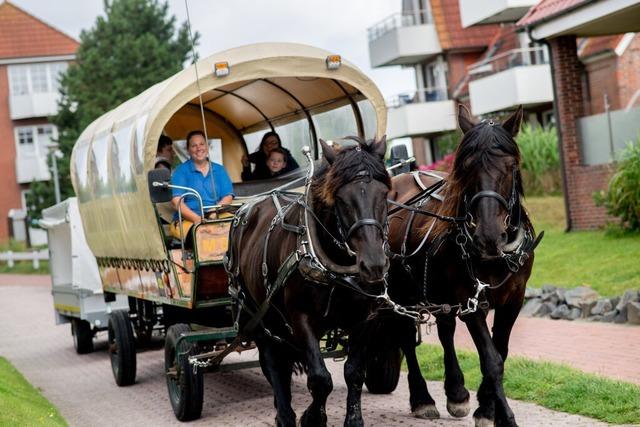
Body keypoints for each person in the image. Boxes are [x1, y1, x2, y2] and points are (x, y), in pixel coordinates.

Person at [169, 130, 234, 241]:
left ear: (207, 147)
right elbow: (177, 202)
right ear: (188, 150)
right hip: (188, 220)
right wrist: (199, 220)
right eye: (194, 146)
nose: (199, 148)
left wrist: (213, 213)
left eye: (202, 144)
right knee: (204, 236)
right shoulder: (181, 171)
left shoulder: (219, 170)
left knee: (238, 230)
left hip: (216, 215)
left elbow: (228, 196)